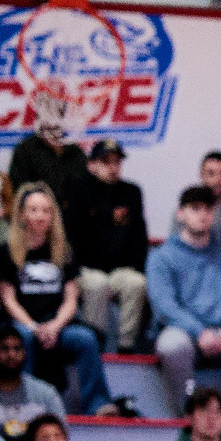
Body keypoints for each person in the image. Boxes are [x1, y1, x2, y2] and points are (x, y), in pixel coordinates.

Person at [0, 186, 109, 416]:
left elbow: (71, 299)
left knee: (86, 339)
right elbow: (8, 300)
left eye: (46, 210)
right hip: (22, 322)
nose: (40, 216)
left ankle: (98, 404)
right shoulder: (6, 251)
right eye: (34, 210)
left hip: (57, 323)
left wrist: (54, 326)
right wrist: (34, 327)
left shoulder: (64, 251)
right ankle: (24, 404)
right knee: (22, 338)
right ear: (22, 215)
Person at [148, 186, 221, 414]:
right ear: (180, 214)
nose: (202, 214)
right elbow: (165, 307)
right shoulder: (161, 257)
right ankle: (189, 412)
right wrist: (200, 332)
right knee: (172, 346)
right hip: (186, 333)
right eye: (195, 208)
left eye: (208, 209)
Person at [64, 141, 147, 352]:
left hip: (120, 268)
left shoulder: (131, 192)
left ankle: (126, 347)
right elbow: (69, 237)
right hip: (87, 268)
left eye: (117, 162)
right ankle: (94, 344)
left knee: (136, 283)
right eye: (105, 162)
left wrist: (136, 266)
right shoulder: (77, 191)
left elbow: (139, 236)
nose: (112, 167)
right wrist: (74, 271)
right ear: (91, 165)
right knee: (97, 284)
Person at [0, 322, 65, 436]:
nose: (12, 355)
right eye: (4, 349)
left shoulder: (46, 394)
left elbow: (60, 437)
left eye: (17, 349)